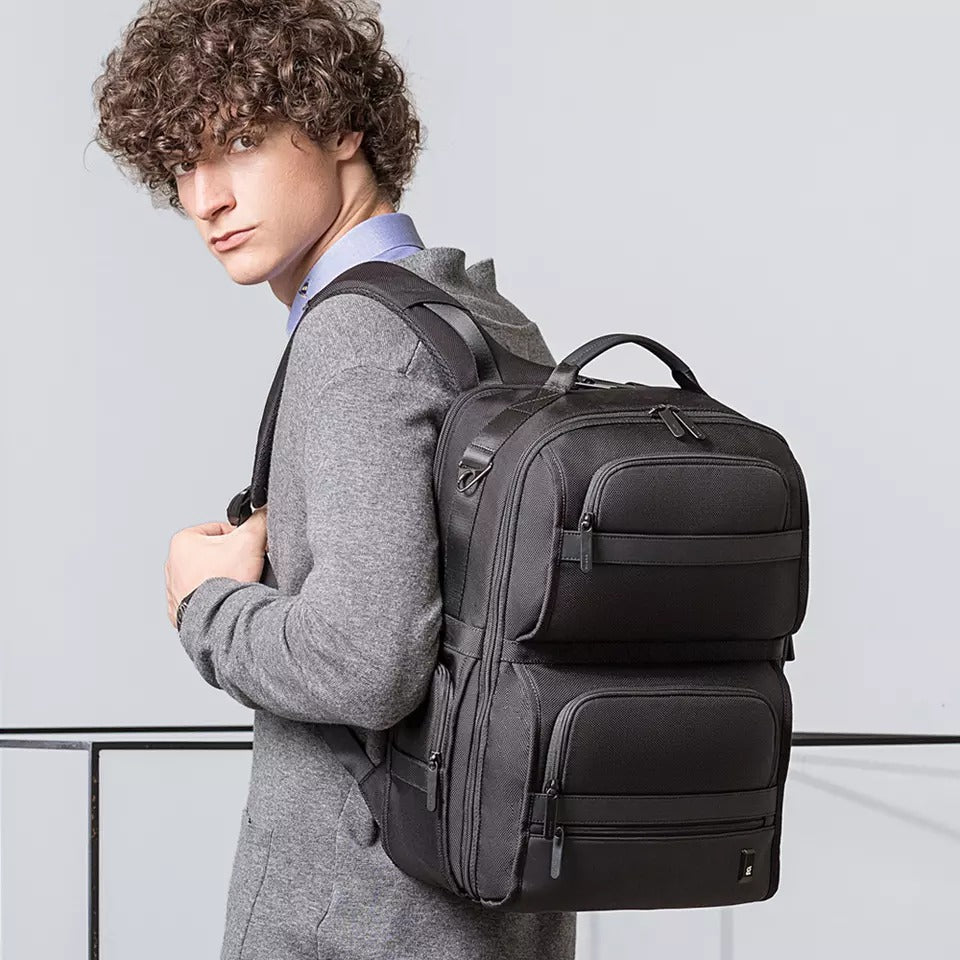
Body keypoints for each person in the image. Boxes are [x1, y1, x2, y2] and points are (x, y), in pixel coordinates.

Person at [92, 2, 577, 958]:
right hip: (497, 913)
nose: (205, 199)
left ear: (342, 124)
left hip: (358, 923)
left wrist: (205, 604)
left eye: (240, 141)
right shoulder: (486, 315)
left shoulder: (356, 337)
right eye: (183, 162)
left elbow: (368, 660)